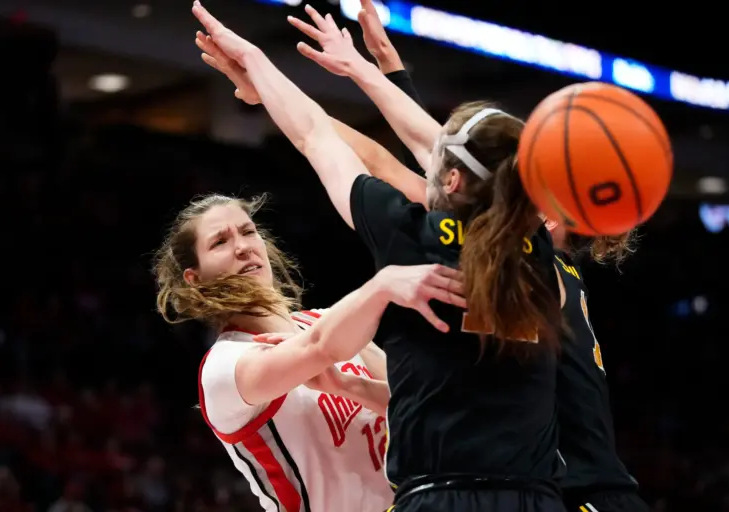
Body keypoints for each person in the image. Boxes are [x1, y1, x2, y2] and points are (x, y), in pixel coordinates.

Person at [192, 3, 566, 511]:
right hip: (537, 498)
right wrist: (371, 69)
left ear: (451, 181)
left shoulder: (415, 238)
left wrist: (259, 62)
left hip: (442, 494)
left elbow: (316, 138)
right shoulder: (542, 254)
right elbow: (448, 159)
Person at [292, 4, 649, 510]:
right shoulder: (536, 266)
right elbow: (455, 162)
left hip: (574, 495)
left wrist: (298, 101)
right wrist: (384, 72)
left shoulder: (526, 260)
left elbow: (432, 163)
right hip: (594, 492)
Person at [153, 192, 466, 511]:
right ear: (195, 278)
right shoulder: (225, 366)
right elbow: (320, 348)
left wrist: (352, 387)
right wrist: (382, 285)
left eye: (248, 232)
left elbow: (426, 406)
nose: (242, 246)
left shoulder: (327, 322)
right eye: (220, 242)